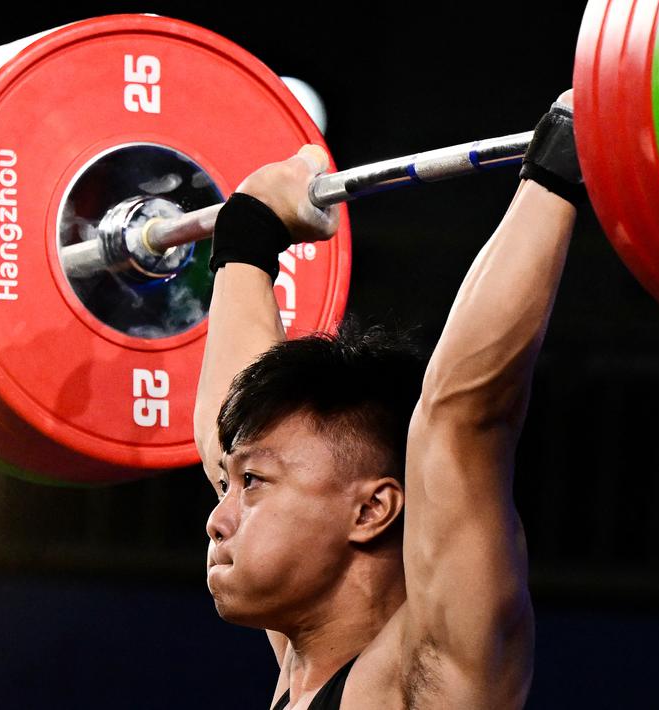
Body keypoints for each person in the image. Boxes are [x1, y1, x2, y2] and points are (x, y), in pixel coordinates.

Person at [195, 91, 583, 709]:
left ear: (373, 508)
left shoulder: (427, 677)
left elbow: (462, 413)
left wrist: (563, 160)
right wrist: (247, 234)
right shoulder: (307, 665)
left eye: (254, 485)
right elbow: (227, 431)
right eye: (232, 486)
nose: (218, 518)